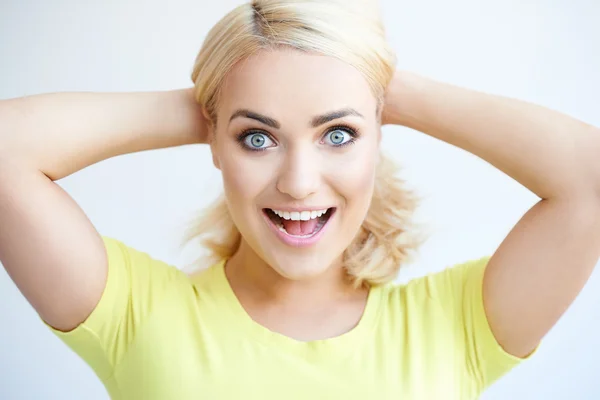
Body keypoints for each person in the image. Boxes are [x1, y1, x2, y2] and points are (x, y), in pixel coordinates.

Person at [1, 0, 599, 399]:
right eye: (255, 138)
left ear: (378, 134)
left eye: (338, 134)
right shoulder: (138, 315)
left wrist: (377, 82)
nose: (298, 182)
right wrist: (218, 96)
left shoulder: (455, 325)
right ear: (215, 143)